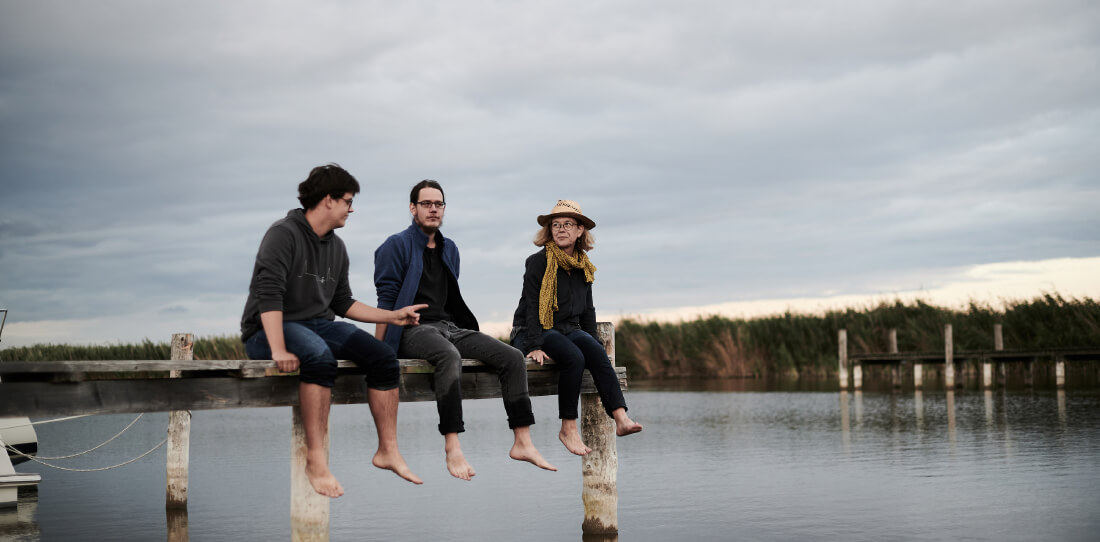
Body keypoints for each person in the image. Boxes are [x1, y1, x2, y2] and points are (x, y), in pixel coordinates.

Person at [240, 164, 424, 497]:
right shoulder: (283, 234)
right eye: (347, 201)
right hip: (267, 329)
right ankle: (316, 459)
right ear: (328, 200)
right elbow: (269, 294)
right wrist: (278, 349)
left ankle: (387, 450)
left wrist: (393, 315)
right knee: (318, 357)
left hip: (319, 325)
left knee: (383, 357)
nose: (351, 208)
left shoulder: (336, 247)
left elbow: (343, 303)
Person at [374, 180, 556, 481]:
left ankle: (523, 441)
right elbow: (385, 302)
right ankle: (452, 444)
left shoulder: (450, 249)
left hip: (451, 328)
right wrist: (379, 350)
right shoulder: (394, 246)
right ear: (412, 208)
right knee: (448, 356)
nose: (433, 209)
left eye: (439, 204)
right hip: (412, 330)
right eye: (426, 204)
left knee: (511, 357)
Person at [510, 200, 642, 456]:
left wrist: (592, 342)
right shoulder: (538, 262)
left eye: (567, 224)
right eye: (555, 225)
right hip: (531, 330)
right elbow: (532, 307)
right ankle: (568, 428)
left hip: (567, 329)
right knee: (574, 357)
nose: (560, 229)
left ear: (580, 230)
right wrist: (534, 345)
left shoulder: (583, 266)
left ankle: (621, 417)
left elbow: (588, 310)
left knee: (595, 353)